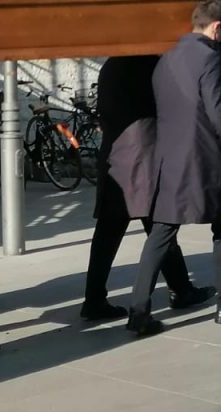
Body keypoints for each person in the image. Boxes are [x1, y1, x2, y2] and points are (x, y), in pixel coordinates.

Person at [127, 0, 221, 337]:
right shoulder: (208, 57)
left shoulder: (167, 57)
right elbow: (220, 113)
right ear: (217, 27)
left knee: (161, 232)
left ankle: (138, 312)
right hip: (204, 157)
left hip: (169, 156)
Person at [81, 54, 213, 321]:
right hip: (144, 153)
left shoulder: (111, 65)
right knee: (161, 225)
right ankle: (179, 290)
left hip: (116, 154)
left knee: (109, 231)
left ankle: (94, 298)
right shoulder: (149, 64)